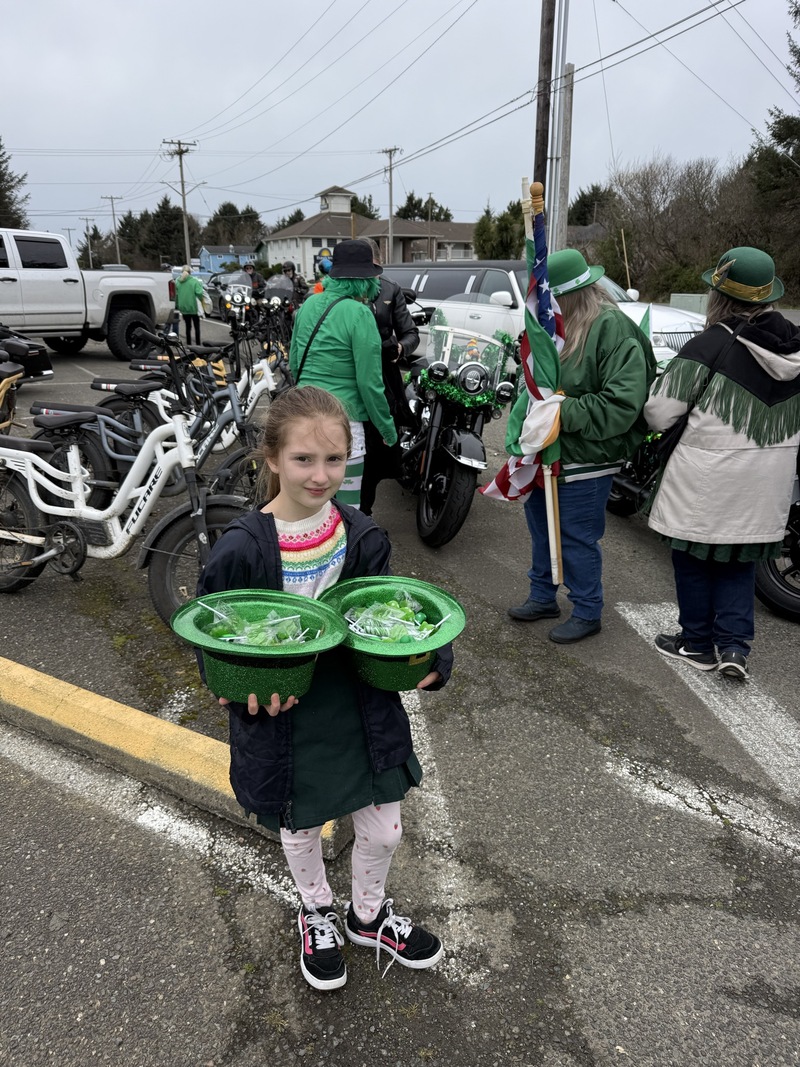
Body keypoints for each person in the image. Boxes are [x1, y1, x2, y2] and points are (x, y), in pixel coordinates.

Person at [196, 385, 450, 990]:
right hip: (284, 713)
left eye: (334, 460)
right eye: (304, 459)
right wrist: (231, 688)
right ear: (272, 459)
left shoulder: (362, 535)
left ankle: (368, 914)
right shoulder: (243, 546)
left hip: (360, 703)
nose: (320, 474)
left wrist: (434, 655)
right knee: (300, 822)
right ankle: (315, 907)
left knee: (385, 826)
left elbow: (392, 610)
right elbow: (210, 631)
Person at [644, 247, 800, 681]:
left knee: (694, 559)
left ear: (720, 296)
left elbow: (659, 413)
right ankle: (734, 648)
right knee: (739, 560)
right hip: (767, 480)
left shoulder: (710, 344)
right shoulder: (797, 347)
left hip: (706, 477)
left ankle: (697, 643)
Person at [507, 248, 656, 643]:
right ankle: (542, 595)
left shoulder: (612, 329)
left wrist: (558, 413)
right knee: (541, 527)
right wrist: (525, 423)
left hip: (588, 457)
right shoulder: (554, 328)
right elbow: (535, 389)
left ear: (567, 297)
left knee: (575, 534)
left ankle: (588, 609)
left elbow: (623, 406)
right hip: (545, 454)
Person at [288, 239, 397, 510]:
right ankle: (344, 551)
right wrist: (387, 429)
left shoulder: (308, 306)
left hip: (302, 416)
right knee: (347, 509)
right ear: (366, 280)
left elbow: (293, 362)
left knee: (308, 505)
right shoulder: (360, 314)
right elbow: (369, 384)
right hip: (344, 424)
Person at [357, 237, 420, 517]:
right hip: (351, 369)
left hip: (383, 368)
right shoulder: (340, 291)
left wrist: (400, 348)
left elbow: (411, 334)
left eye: (373, 266)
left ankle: (365, 510)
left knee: (376, 445)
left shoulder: (390, 289)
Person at [173, 265, 205, 345]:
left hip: (183, 307)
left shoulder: (178, 281)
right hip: (194, 307)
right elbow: (199, 293)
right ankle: (198, 344)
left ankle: (189, 344)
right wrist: (201, 301)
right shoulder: (194, 281)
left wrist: (177, 305)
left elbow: (176, 295)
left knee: (188, 327)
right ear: (190, 272)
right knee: (196, 327)